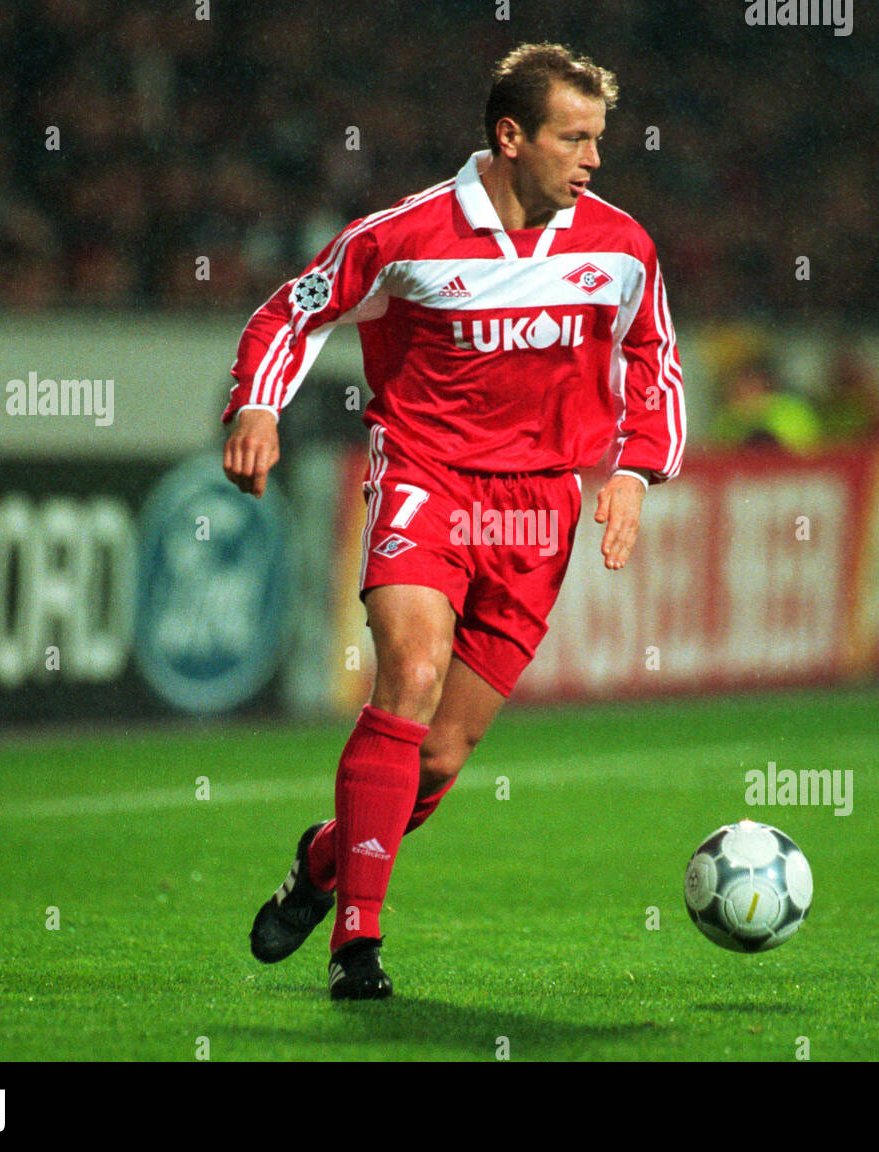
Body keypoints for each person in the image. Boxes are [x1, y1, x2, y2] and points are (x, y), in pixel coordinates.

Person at [221, 43, 685, 1000]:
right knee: (413, 674)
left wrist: (637, 469)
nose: (594, 157)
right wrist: (258, 406)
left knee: (438, 757)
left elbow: (653, 359)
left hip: (539, 510)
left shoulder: (620, 246)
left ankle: (323, 865)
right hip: (427, 480)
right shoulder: (409, 236)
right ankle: (360, 945)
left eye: (599, 137)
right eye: (575, 137)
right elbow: (294, 313)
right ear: (512, 137)